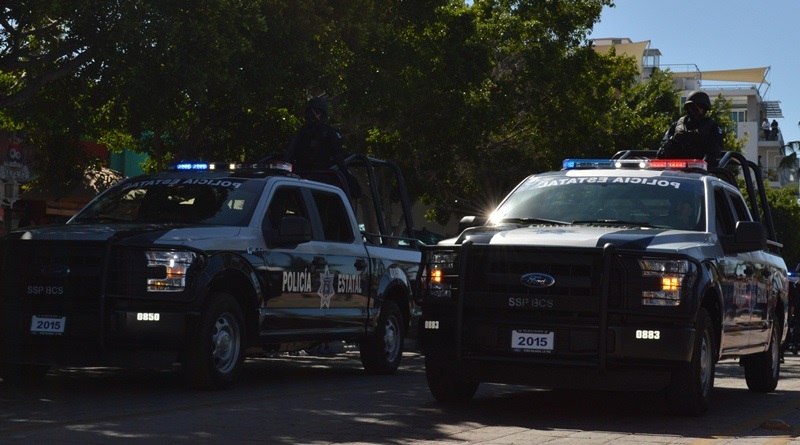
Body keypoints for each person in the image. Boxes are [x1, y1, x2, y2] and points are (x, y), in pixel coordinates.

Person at [284, 97, 361, 198]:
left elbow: (338, 157)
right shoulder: (301, 134)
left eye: (316, 112)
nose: (313, 116)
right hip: (312, 179)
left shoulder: (328, 133)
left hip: (319, 181)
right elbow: (289, 155)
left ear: (322, 114)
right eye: (311, 113)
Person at [657, 90, 723, 167]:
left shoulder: (712, 128)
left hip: (701, 172)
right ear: (688, 108)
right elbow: (662, 148)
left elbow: (713, 152)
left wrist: (701, 165)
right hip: (674, 170)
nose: (695, 110)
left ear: (705, 109)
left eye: (700, 107)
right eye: (692, 107)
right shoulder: (676, 125)